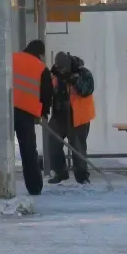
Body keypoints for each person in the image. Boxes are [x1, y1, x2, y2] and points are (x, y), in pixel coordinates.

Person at [13, 39, 53, 195]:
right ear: (41, 53)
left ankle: (0, 182)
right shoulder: (41, 68)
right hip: (26, 114)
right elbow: (47, 94)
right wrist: (43, 114)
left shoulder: (10, 58)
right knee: (28, 151)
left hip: (5, 111)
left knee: (1, 149)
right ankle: (34, 187)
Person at [47, 52, 94, 185]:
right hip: (59, 115)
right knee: (53, 143)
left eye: (63, 68)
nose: (61, 70)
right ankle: (60, 172)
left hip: (78, 116)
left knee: (78, 146)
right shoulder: (55, 75)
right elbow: (49, 92)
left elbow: (87, 90)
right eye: (59, 67)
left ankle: (82, 175)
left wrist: (73, 80)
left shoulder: (83, 73)